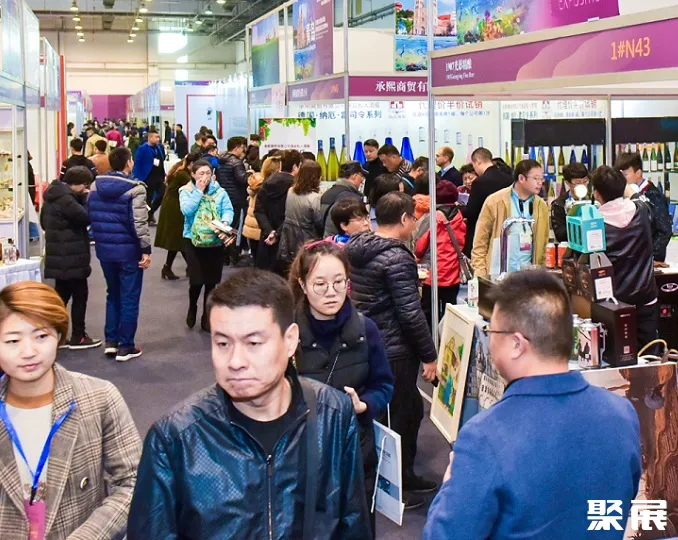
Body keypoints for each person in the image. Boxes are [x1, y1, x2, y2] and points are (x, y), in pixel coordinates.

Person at [127, 269, 370, 539]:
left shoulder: (333, 414)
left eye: (253, 343)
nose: (235, 362)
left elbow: (353, 524)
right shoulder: (176, 439)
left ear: (290, 341)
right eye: (222, 343)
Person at [423, 270, 641, 539]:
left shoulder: (484, 436)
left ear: (517, 344)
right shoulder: (622, 414)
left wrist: (449, 484)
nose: (489, 342)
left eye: (491, 331)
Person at [0, 281, 142, 539]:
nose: (28, 352)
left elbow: (133, 483)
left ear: (58, 335)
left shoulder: (99, 398)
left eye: (41, 336)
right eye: (12, 340)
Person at [289, 241, 394, 537]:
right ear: (303, 284)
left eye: (339, 282)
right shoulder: (287, 332)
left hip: (355, 449)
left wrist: (365, 404)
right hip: (302, 453)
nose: (331, 292)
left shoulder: (365, 329)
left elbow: (384, 384)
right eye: (320, 284)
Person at [346, 192, 439, 510]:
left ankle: (404, 476)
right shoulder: (397, 257)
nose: (415, 223)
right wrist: (429, 355)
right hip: (394, 346)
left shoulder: (359, 247)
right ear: (403, 219)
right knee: (399, 415)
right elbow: (411, 313)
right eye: (413, 218)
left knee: (407, 410)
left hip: (373, 340)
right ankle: (393, 486)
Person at [88, 147, 151, 362]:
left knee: (112, 294)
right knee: (129, 297)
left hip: (105, 250)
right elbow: (139, 223)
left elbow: (91, 217)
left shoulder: (95, 186)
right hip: (128, 251)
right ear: (128, 163)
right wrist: (145, 249)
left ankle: (111, 342)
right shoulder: (136, 189)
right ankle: (126, 346)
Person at [591, 165, 659, 353]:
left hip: (613, 303)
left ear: (596, 194)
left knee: (616, 358)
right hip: (645, 297)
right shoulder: (642, 210)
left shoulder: (594, 223)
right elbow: (640, 200)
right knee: (649, 357)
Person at [40, 167, 101, 349]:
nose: (85, 189)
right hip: (72, 257)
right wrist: (85, 200)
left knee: (61, 297)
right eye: (85, 185)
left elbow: (43, 223)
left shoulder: (52, 196)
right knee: (80, 295)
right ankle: (78, 336)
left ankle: (52, 335)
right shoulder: (67, 199)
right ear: (79, 183)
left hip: (58, 256)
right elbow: (85, 218)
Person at [179, 159, 234, 332]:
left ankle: (207, 317)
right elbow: (186, 210)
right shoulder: (186, 191)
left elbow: (228, 209)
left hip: (215, 241)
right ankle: (192, 306)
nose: (205, 177)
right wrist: (198, 191)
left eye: (208, 173)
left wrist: (225, 222)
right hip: (193, 240)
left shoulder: (220, 192)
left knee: (211, 282)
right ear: (193, 174)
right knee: (196, 281)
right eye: (201, 173)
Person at [471, 159, 549, 277]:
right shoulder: (495, 201)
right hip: (499, 274)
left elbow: (544, 243)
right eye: (536, 178)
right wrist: (480, 275)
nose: (540, 183)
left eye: (542, 179)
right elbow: (480, 243)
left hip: (529, 275)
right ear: (521, 178)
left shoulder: (541, 205)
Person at [415, 183, 465, 325]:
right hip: (453, 274)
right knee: (450, 314)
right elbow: (461, 243)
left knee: (430, 314)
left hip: (433, 274)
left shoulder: (432, 218)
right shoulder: (459, 217)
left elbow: (420, 246)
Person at [615, 152, 672, 262]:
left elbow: (664, 231)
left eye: (625, 175)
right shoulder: (621, 195)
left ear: (638, 173)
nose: (621, 179)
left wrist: (651, 256)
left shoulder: (654, 196)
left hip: (649, 261)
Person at [254, 150, 303, 273]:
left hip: (266, 238)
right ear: (295, 167)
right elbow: (292, 214)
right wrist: (277, 234)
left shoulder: (266, 183)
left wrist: (269, 231)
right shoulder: (296, 188)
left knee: (266, 277)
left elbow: (259, 210)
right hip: (287, 239)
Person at [461, 147, 513, 257]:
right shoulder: (509, 179)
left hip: (484, 232)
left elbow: (471, 212)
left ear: (478, 161)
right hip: (505, 230)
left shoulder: (479, 182)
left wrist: (459, 208)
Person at [155, 153, 199, 280]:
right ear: (192, 164)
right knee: (180, 238)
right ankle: (192, 267)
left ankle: (169, 267)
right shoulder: (183, 175)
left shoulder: (180, 170)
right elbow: (195, 188)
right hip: (174, 208)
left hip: (173, 207)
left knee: (177, 240)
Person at [277, 161, 324, 272]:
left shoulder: (291, 191)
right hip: (306, 237)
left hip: (288, 235)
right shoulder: (315, 197)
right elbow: (318, 221)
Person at [216, 136, 249, 265]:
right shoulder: (236, 162)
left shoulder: (220, 160)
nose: (243, 150)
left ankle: (224, 256)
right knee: (235, 228)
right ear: (237, 147)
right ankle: (234, 256)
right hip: (236, 198)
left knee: (225, 226)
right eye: (242, 147)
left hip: (224, 196)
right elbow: (242, 179)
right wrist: (250, 174)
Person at [244, 155, 281, 260]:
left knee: (257, 259)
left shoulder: (256, 184)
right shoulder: (268, 188)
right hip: (260, 228)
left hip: (252, 226)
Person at [321, 160, 367, 237]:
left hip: (328, 240)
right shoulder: (352, 198)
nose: (362, 181)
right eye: (361, 176)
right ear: (354, 175)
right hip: (345, 241)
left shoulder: (326, 194)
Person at [132, 128, 166, 224]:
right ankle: (147, 217)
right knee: (148, 198)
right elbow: (137, 162)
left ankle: (151, 212)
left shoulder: (159, 148)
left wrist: (164, 175)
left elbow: (161, 162)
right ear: (150, 137)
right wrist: (136, 177)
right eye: (156, 137)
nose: (158, 139)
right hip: (147, 177)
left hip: (158, 177)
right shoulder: (142, 149)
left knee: (163, 193)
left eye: (158, 137)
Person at [550, 163, 590, 243]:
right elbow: (560, 235)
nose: (582, 185)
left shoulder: (593, 201)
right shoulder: (558, 204)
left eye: (585, 181)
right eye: (578, 182)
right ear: (567, 183)